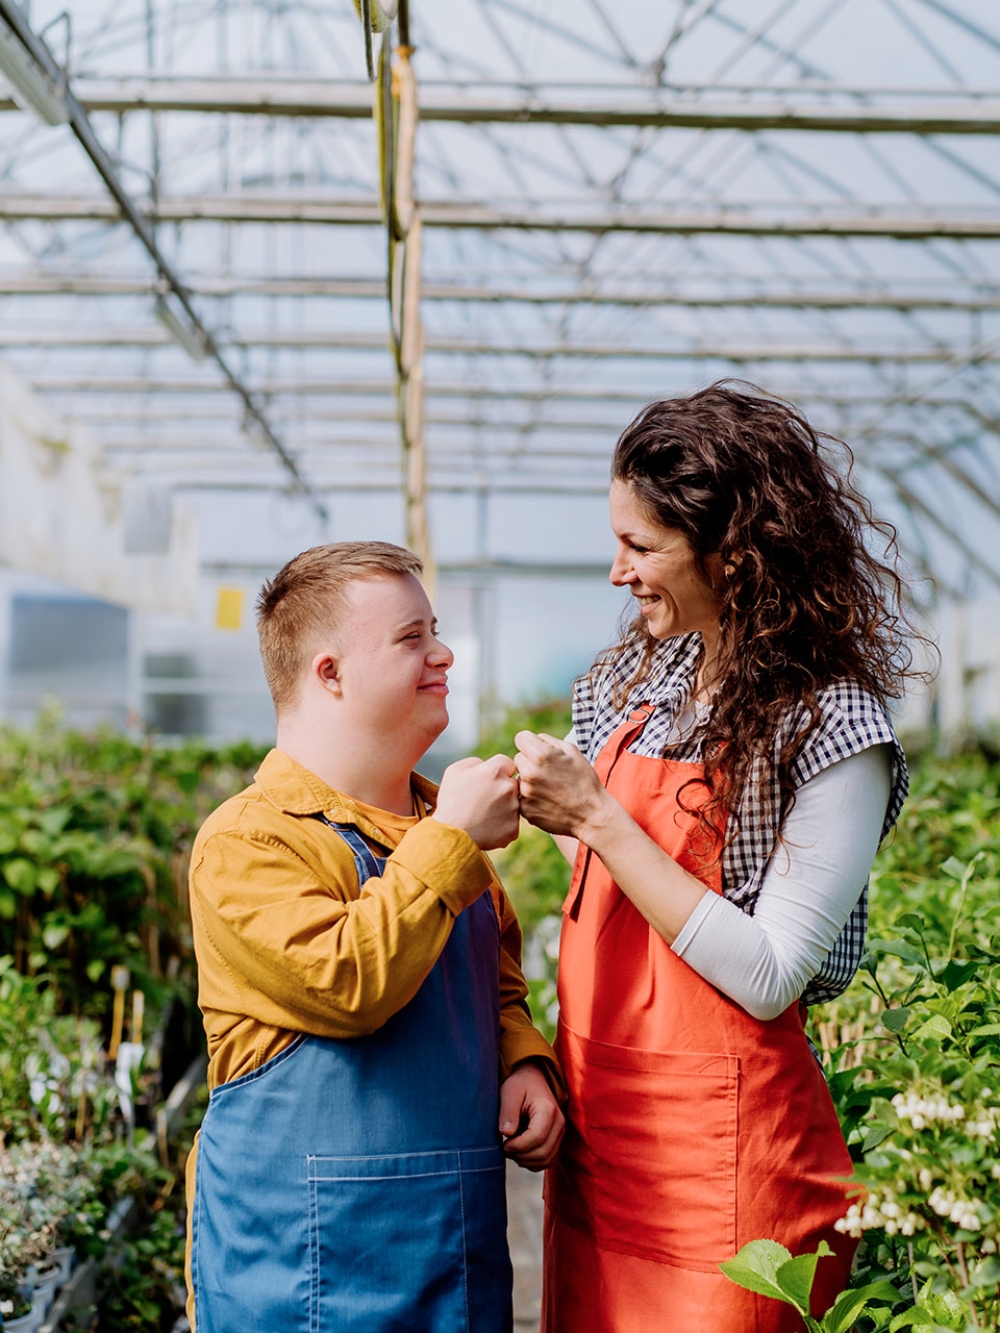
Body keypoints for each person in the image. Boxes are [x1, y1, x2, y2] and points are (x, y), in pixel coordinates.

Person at [514, 383, 913, 1332]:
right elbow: (614, 869)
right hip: (605, 1140)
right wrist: (544, 809)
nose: (616, 573)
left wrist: (602, 817)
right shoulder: (635, 679)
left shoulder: (832, 725)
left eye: (641, 546)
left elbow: (772, 974)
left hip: (728, 1175)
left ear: (735, 551)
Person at [183, 540, 564, 1333]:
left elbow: (496, 988)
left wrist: (523, 1058)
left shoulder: (438, 828)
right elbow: (347, 978)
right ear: (330, 672)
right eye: (412, 637)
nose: (444, 652)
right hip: (302, 1281)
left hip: (453, 1266)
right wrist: (455, 840)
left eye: (436, 630)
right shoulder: (250, 842)